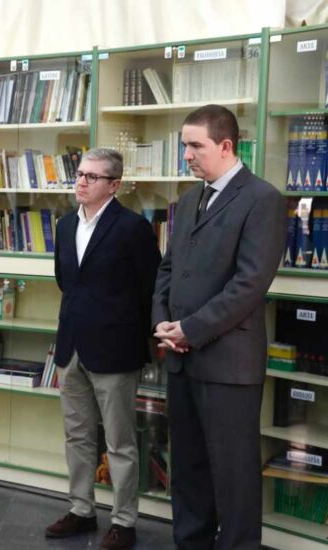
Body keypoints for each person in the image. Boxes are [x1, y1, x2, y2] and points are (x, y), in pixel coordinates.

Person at [152, 104, 286, 549]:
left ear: (226, 146)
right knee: (187, 471)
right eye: (183, 145)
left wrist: (189, 328)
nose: (186, 155)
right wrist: (163, 323)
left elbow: (249, 286)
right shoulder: (189, 199)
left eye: (195, 146)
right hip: (182, 360)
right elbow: (168, 271)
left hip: (228, 364)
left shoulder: (262, 200)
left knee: (233, 477)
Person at [46, 148, 161, 550]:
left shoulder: (132, 228)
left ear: (114, 185)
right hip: (71, 346)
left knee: (119, 441)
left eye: (91, 177)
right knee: (77, 436)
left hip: (115, 349)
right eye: (79, 174)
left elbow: (150, 287)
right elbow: (66, 281)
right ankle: (81, 510)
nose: (81, 181)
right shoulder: (64, 226)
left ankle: (124, 521)